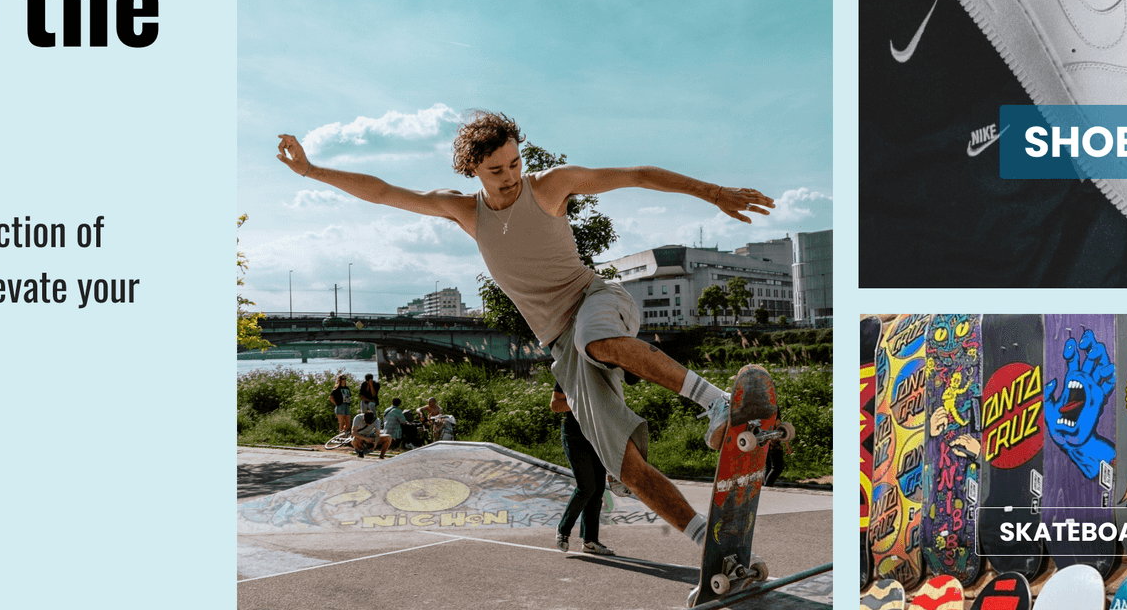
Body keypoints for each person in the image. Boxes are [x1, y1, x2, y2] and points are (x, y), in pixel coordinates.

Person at [277, 110, 771, 566]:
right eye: (497, 170)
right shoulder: (464, 212)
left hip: (598, 300)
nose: (511, 176)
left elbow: (637, 174)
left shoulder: (551, 187)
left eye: (515, 162)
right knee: (623, 465)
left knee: (593, 337)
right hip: (562, 344)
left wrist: (713, 192)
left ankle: (716, 402)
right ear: (473, 170)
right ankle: (711, 544)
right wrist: (310, 171)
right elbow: (384, 192)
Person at [553, 385, 615, 556]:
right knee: (586, 487)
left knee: (598, 490)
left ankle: (590, 541)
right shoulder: (567, 372)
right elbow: (555, 405)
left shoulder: (599, 373)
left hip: (596, 436)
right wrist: (581, 404)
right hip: (574, 437)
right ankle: (563, 530)